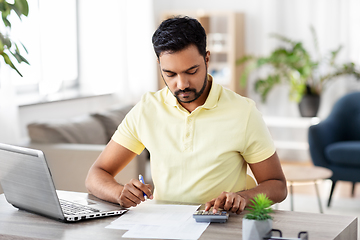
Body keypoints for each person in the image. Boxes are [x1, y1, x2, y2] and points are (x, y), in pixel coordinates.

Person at [85, 16, 287, 214]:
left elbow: (277, 186)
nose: (182, 85)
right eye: (170, 74)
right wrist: (120, 193)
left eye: (192, 71)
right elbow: (96, 174)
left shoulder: (244, 113)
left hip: (220, 225)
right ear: (159, 66)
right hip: (165, 226)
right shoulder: (147, 109)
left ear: (207, 59)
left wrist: (243, 198)